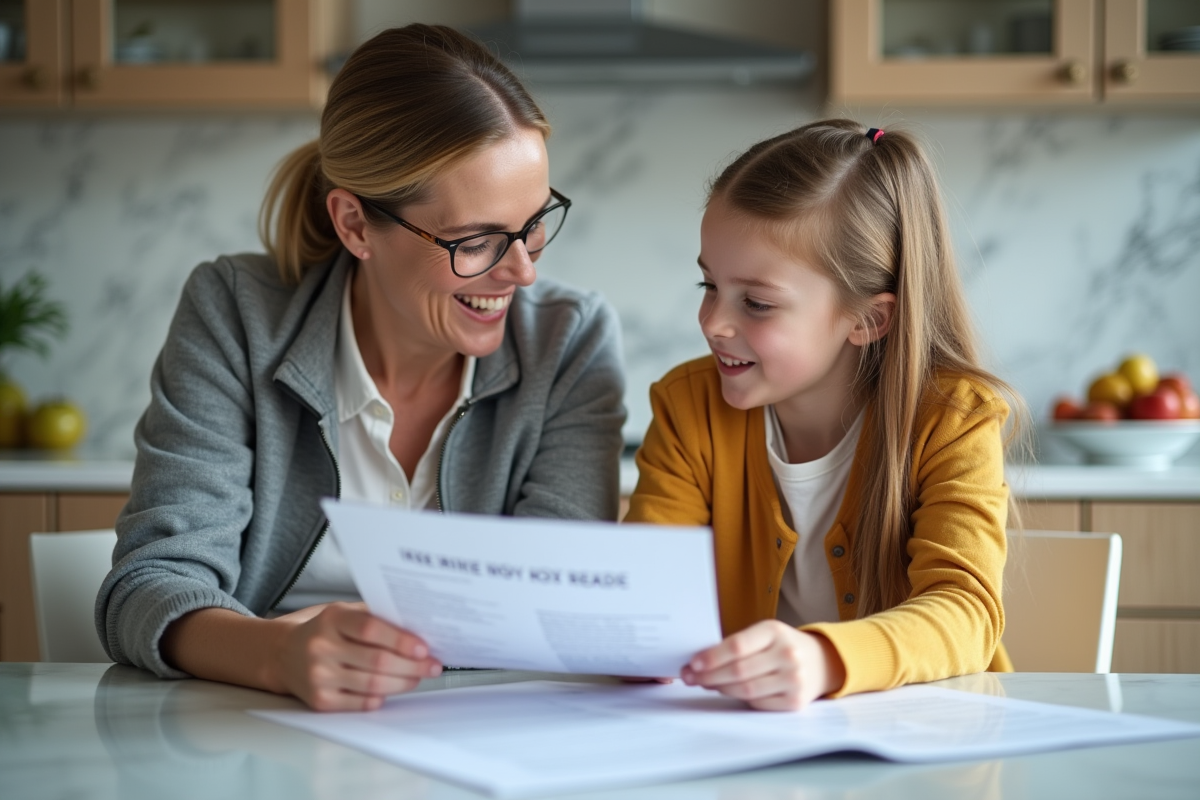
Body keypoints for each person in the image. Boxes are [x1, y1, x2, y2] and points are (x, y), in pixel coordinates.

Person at [96, 25, 626, 711]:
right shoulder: (237, 313)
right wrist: (278, 656)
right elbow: (148, 587)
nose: (523, 270)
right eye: (478, 241)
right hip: (258, 731)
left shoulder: (569, 340)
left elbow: (557, 601)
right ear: (353, 224)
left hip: (490, 733)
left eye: (533, 223)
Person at [624, 119, 1025, 711]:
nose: (713, 322)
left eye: (756, 302)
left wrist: (821, 661)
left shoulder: (952, 418)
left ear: (868, 320)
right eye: (708, 284)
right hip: (742, 739)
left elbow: (964, 612)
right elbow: (647, 590)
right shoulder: (688, 408)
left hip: (932, 737)